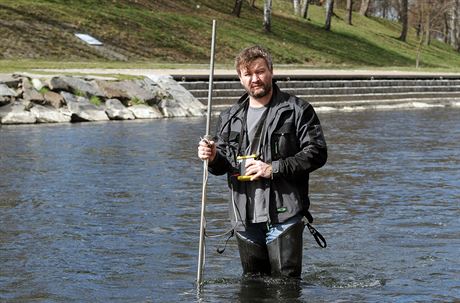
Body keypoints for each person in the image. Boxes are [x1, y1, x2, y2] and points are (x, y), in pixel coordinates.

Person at [197, 45, 327, 278]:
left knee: (285, 290)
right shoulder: (228, 117)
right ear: (240, 78)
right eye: (248, 74)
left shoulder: (297, 110)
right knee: (253, 289)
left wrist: (273, 168)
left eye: (260, 72)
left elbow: (317, 152)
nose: (254, 79)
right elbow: (222, 165)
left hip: (284, 215)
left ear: (271, 71)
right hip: (244, 219)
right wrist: (213, 157)